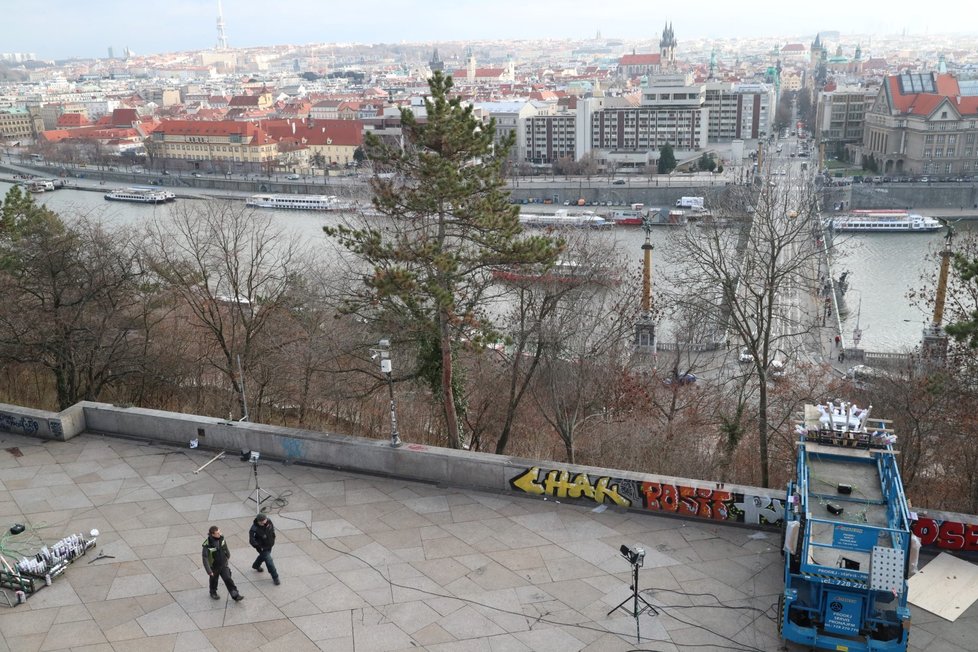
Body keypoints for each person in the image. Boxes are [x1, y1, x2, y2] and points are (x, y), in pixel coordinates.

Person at [202, 525, 243, 601]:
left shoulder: (221, 538)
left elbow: (225, 547)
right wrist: (209, 571)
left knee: (228, 579)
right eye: (217, 533)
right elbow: (205, 558)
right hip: (214, 566)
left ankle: (235, 595)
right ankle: (213, 592)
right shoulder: (207, 545)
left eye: (219, 532)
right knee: (214, 580)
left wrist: (228, 554)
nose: (220, 534)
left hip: (223, 564)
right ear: (212, 534)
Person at [249, 514, 280, 585]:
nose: (264, 523)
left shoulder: (268, 521)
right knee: (269, 562)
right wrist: (259, 547)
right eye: (262, 522)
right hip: (263, 548)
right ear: (258, 521)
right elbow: (252, 541)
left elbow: (272, 530)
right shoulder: (254, 529)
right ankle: (275, 577)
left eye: (265, 521)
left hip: (270, 544)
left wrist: (273, 537)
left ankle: (256, 565)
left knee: (263, 557)